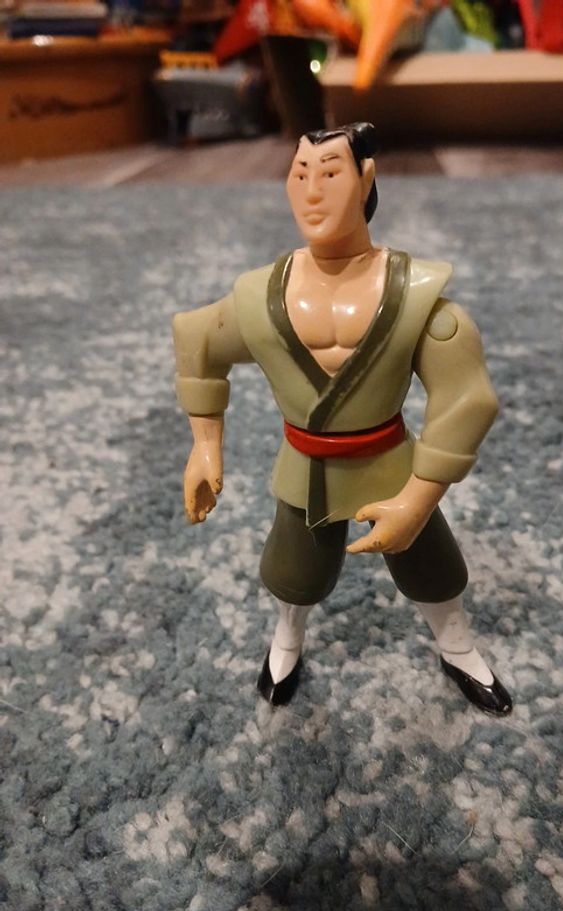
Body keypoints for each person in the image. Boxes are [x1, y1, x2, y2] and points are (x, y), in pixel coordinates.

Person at [172, 122, 512, 715]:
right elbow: (198, 337)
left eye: (330, 173)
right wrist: (205, 445)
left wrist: (417, 499)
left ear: (366, 178)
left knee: (432, 565)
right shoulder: (262, 296)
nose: (312, 192)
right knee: (293, 572)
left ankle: (456, 645)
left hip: (392, 463)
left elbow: (466, 399)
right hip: (305, 468)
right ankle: (287, 639)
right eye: (299, 174)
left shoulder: (414, 294)